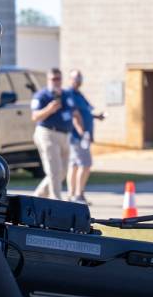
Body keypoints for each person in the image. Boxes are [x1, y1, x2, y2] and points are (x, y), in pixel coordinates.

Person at [31, 68, 80, 199]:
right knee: (54, 170)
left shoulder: (66, 95)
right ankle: (56, 199)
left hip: (65, 135)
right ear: (48, 80)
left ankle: (38, 195)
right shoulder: (41, 96)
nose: (56, 81)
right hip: (47, 133)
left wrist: (81, 130)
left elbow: (75, 113)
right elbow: (35, 117)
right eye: (53, 79)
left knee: (63, 171)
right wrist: (49, 109)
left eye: (58, 78)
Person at [64, 69, 103, 203]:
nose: (78, 80)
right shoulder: (69, 94)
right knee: (85, 164)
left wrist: (97, 116)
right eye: (75, 78)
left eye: (80, 77)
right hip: (78, 136)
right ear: (70, 79)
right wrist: (83, 134)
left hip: (82, 136)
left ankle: (72, 194)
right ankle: (78, 195)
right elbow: (75, 117)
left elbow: (87, 112)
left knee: (75, 165)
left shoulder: (79, 94)